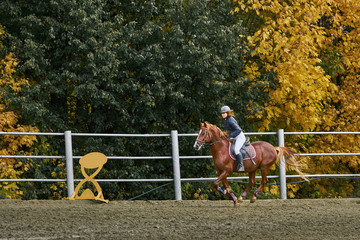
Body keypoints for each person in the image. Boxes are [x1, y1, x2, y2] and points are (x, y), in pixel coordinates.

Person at [220, 105, 246, 171]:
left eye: (224, 113)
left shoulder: (230, 120)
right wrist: (225, 134)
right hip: (234, 136)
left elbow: (238, 130)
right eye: (222, 113)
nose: (222, 114)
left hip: (239, 137)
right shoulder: (225, 119)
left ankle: (241, 166)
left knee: (236, 150)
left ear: (227, 113)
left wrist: (229, 135)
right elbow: (229, 129)